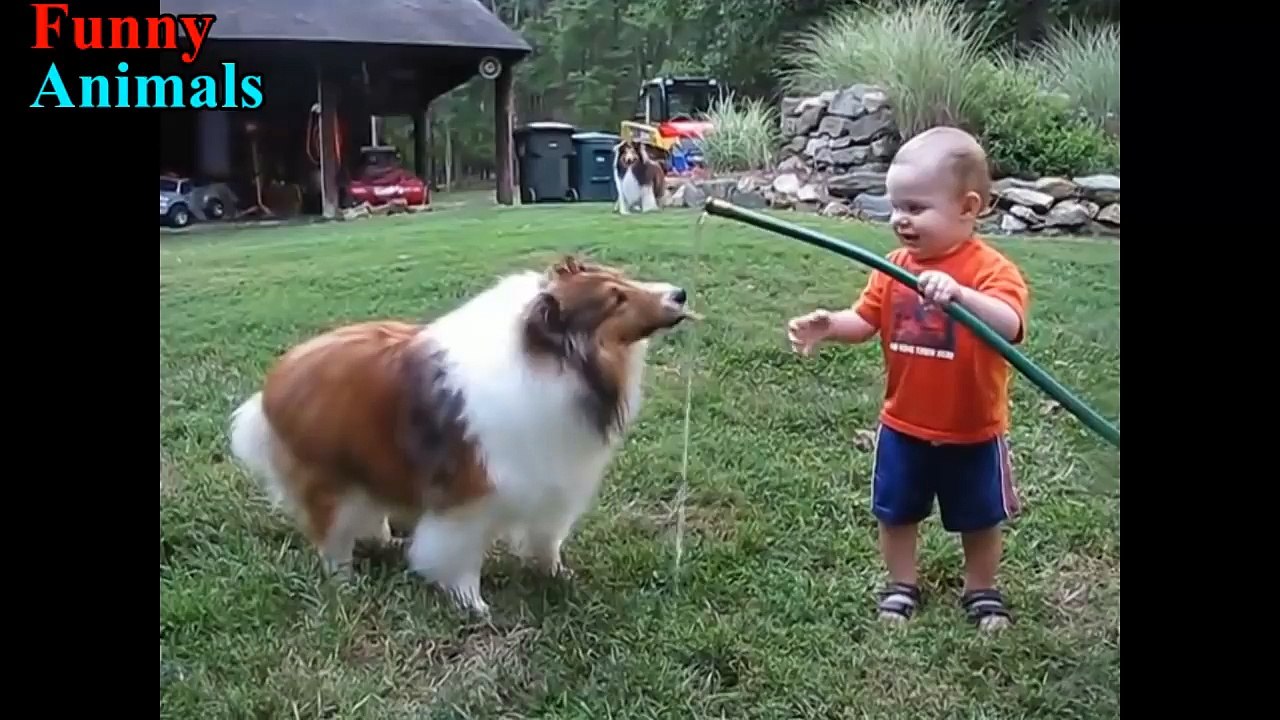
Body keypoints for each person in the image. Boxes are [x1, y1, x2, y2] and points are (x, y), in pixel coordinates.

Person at [785, 126, 1030, 631]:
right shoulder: (893, 266)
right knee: (896, 511)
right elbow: (865, 319)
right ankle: (901, 583)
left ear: (968, 207)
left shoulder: (989, 270)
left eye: (916, 208)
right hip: (904, 424)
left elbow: (1010, 324)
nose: (900, 219)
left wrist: (960, 294)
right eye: (896, 206)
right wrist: (831, 325)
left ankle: (981, 590)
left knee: (979, 518)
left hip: (973, 428)